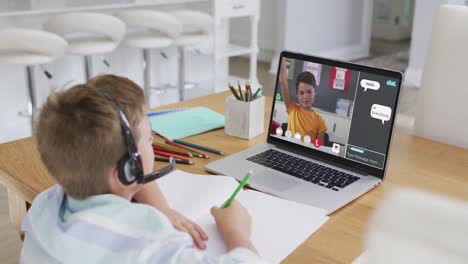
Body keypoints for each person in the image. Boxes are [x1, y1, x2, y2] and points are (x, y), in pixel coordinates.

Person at [20, 75, 261, 263]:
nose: (153, 139)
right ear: (126, 170)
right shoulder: (148, 237)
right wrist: (236, 232)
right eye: (148, 138)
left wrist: (162, 206)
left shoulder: (45, 207)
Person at [279, 58, 327, 143]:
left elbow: (319, 149)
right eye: (301, 93)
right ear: (297, 94)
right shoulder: (292, 108)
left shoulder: (320, 121)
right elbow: (283, 81)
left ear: (315, 91)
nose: (305, 96)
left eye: (309, 92)